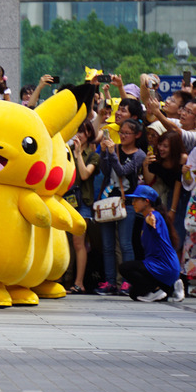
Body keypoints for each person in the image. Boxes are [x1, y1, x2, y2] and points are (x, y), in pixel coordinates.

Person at [96, 119, 146, 296]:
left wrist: (112, 154)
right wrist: (104, 153)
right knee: (108, 245)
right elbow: (105, 169)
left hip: (127, 202)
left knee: (125, 244)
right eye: (121, 132)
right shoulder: (114, 147)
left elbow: (123, 171)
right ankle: (110, 282)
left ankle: (127, 282)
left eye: (127, 133)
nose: (123, 136)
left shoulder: (139, 155)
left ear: (137, 135)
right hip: (107, 200)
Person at [119, 185, 184, 302]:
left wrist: (151, 221)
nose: (133, 203)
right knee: (134, 294)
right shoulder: (150, 217)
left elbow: (154, 221)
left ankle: (156, 289)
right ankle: (169, 289)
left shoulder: (155, 216)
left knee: (125, 268)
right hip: (160, 268)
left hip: (163, 267)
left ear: (147, 201)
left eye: (136, 200)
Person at [65, 120, 99, 294]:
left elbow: (85, 174)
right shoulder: (66, 151)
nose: (79, 135)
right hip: (66, 201)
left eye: (83, 132)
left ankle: (79, 283)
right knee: (65, 242)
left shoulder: (93, 156)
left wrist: (78, 155)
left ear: (89, 135)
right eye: (77, 131)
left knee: (79, 243)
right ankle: (65, 279)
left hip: (83, 203)